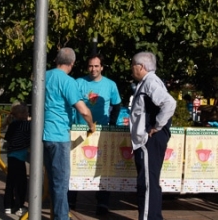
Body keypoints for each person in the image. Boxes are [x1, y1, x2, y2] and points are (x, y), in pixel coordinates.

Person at [43, 47, 96, 220]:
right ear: (72, 63)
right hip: (59, 136)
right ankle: (61, 217)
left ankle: (55, 214)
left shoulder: (44, 76)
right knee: (61, 183)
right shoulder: (68, 82)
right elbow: (84, 110)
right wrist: (91, 125)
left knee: (51, 181)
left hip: (42, 135)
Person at [69, 53, 122, 215]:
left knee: (102, 168)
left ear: (102, 67)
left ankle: (102, 203)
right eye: (91, 66)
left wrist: (111, 125)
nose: (93, 69)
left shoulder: (110, 85)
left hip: (101, 133)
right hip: (80, 131)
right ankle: (71, 201)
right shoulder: (78, 82)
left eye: (96, 66)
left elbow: (117, 105)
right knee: (75, 167)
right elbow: (71, 104)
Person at [129, 52, 176, 220]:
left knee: (148, 184)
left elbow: (169, 103)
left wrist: (157, 126)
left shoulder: (150, 82)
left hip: (150, 140)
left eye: (133, 65)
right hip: (147, 140)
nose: (131, 69)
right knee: (147, 182)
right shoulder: (147, 83)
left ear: (140, 67)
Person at [3, 103, 31, 217]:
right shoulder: (25, 125)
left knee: (10, 182)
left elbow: (8, 138)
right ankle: (19, 206)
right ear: (23, 114)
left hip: (11, 156)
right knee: (21, 183)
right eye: (27, 112)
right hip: (19, 158)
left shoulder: (12, 124)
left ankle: (7, 206)